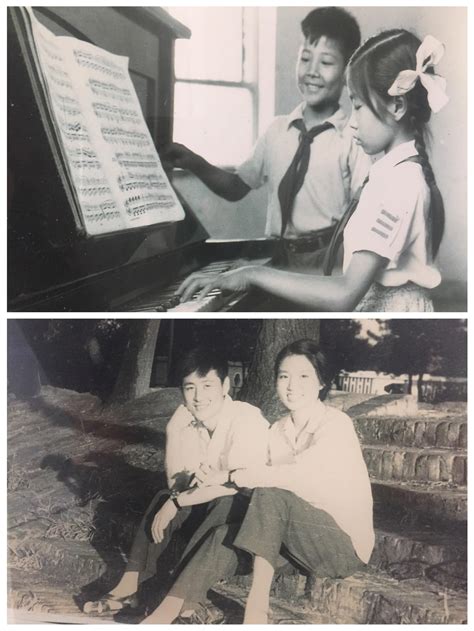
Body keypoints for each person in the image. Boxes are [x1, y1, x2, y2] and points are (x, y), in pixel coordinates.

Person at [178, 30, 448, 312]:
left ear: (397, 104)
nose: (353, 122)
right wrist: (256, 273)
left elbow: (345, 293)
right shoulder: (393, 173)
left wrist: (253, 274)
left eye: (357, 106)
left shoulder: (400, 183)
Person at [143, 340, 374, 624]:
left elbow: (294, 477)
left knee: (270, 494)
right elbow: (250, 477)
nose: (291, 385)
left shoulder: (335, 425)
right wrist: (188, 493)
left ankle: (257, 610)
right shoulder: (277, 431)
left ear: (321, 381)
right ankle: (165, 612)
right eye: (284, 376)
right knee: (223, 535)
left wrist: (228, 475)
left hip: (341, 546)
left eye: (303, 376)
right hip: (294, 543)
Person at [163, 7, 370, 278]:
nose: (312, 71)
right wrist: (195, 163)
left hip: (329, 260)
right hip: (278, 257)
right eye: (305, 58)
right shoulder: (276, 131)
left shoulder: (353, 137)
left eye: (326, 63)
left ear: (347, 73)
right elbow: (236, 187)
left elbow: (362, 212)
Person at [82, 346, 269, 616]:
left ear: (225, 386)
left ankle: (182, 602)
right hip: (209, 506)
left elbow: (237, 484)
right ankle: (128, 586)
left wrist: (178, 501)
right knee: (163, 498)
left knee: (222, 502)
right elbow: (175, 485)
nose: (198, 396)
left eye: (207, 386)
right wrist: (172, 433)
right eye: (190, 387)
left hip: (247, 519)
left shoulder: (246, 418)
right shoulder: (191, 424)